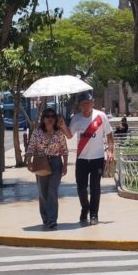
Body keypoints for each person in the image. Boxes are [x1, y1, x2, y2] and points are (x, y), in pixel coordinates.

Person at [59, 91, 113, 225]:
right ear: (79, 105)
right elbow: (70, 135)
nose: (86, 105)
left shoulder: (101, 116)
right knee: (81, 187)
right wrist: (62, 126)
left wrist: (110, 151)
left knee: (95, 187)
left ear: (92, 102)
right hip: (82, 158)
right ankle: (85, 208)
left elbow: (109, 134)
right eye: (83, 103)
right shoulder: (76, 118)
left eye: (88, 103)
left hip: (97, 158)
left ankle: (94, 214)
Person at [26, 108, 68, 229]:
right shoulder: (37, 132)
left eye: (52, 116)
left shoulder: (58, 133)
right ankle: (45, 218)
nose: (50, 119)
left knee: (52, 191)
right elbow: (31, 147)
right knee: (43, 192)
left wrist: (65, 165)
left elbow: (64, 150)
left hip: (55, 163)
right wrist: (29, 162)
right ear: (43, 119)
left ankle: (52, 219)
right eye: (47, 116)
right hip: (41, 162)